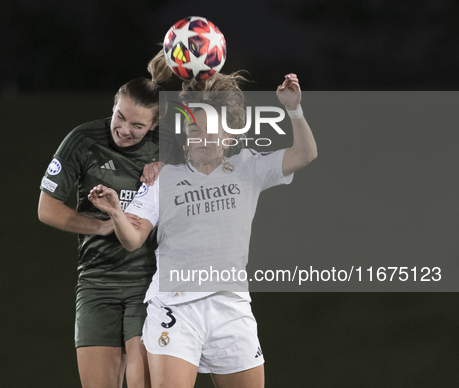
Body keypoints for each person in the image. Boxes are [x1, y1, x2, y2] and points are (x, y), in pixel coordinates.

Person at [88, 72, 317, 388]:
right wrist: (116, 212)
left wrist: (293, 110)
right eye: (194, 128)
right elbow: (133, 240)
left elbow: (305, 154)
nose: (201, 135)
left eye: (210, 129)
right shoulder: (162, 181)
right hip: (176, 307)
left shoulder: (248, 168)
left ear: (228, 137)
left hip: (231, 308)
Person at [37, 56, 184, 388]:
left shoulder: (169, 147)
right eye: (120, 117)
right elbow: (47, 209)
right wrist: (101, 225)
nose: (124, 130)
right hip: (96, 281)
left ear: (155, 125)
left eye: (138, 126)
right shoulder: (82, 141)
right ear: (114, 105)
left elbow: (213, 169)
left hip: (148, 283)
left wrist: (169, 169)